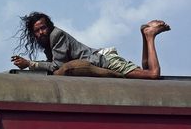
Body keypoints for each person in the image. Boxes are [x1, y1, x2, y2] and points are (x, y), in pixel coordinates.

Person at [11, 11, 170, 79]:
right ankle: (144, 35)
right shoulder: (47, 43)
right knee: (144, 71)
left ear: (49, 26)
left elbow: (56, 66)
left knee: (152, 75)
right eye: (37, 31)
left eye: (43, 28)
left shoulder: (56, 35)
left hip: (105, 62)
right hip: (103, 58)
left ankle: (150, 36)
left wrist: (29, 64)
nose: (41, 33)